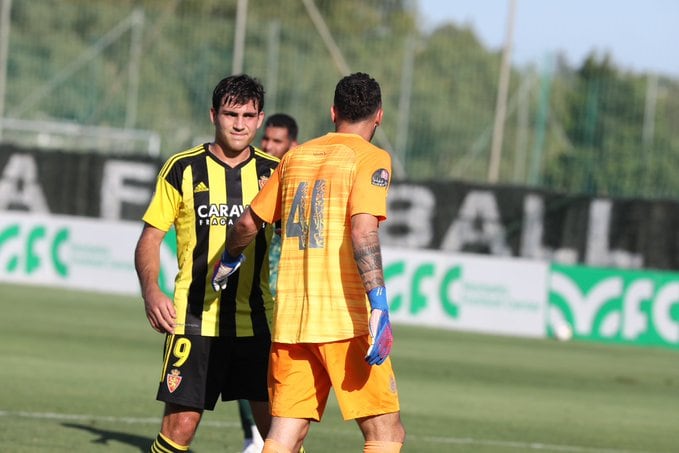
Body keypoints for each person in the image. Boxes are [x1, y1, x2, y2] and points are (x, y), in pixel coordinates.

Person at [212, 72, 406, 453]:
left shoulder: (297, 157)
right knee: (386, 434)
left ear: (333, 112)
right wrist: (379, 302)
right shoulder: (371, 158)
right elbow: (363, 230)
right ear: (379, 116)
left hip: (292, 325)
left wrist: (229, 259)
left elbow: (248, 223)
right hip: (344, 321)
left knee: (285, 436)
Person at [134, 74, 278, 453]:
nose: (239, 124)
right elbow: (150, 238)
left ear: (260, 119)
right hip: (193, 320)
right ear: (214, 114)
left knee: (281, 433)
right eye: (231, 114)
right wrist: (151, 290)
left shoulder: (275, 173)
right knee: (180, 427)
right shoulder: (182, 168)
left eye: (248, 115)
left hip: (257, 322)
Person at [238, 112, 299, 452]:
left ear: (293, 145)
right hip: (254, 287)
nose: (269, 146)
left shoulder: (297, 175)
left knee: (277, 372)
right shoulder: (251, 174)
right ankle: (254, 437)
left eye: (278, 142)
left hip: (288, 290)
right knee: (247, 363)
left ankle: (272, 436)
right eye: (267, 139)